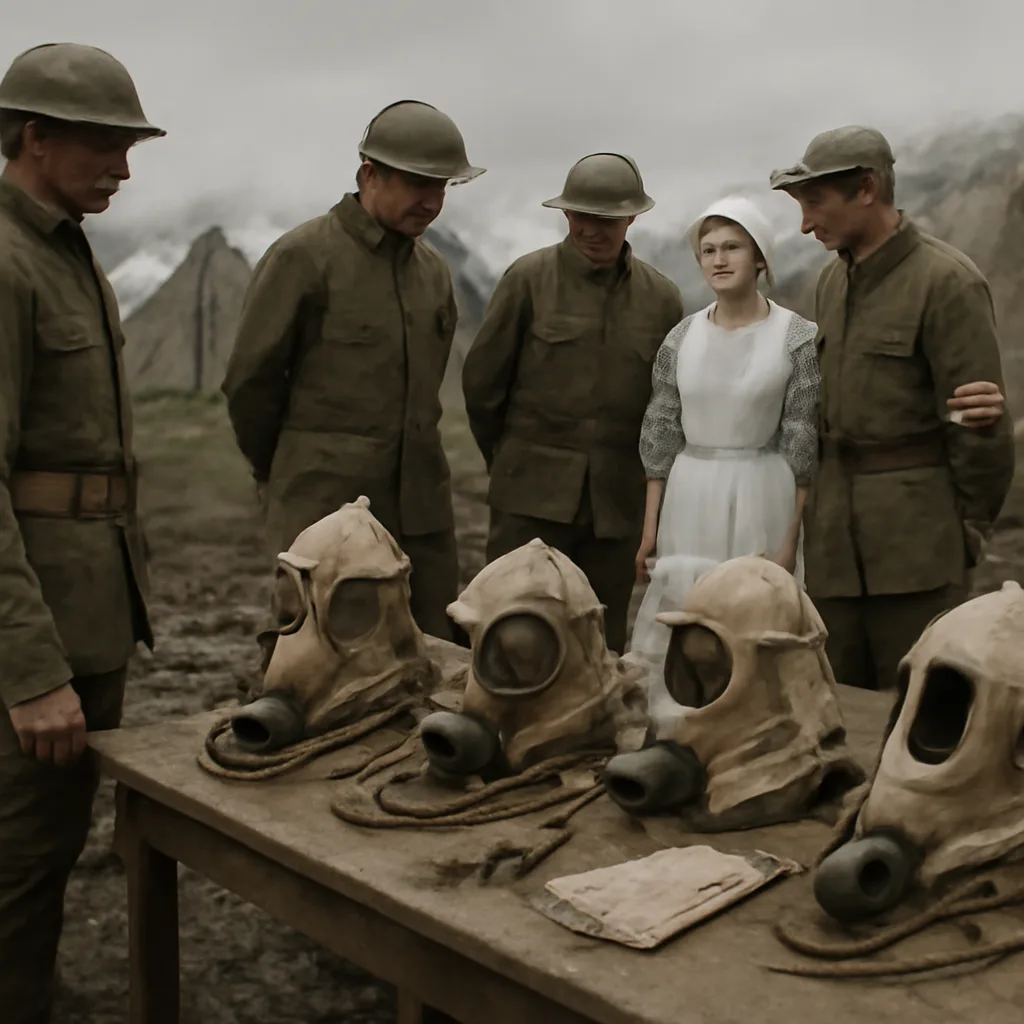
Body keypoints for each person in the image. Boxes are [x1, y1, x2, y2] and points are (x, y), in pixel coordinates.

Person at [0, 42, 163, 1023]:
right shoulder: (5, 261)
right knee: (19, 856)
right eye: (106, 145)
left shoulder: (61, 246)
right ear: (34, 137)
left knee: (48, 847)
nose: (125, 167)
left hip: (89, 603)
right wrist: (27, 666)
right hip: (38, 625)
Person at [221, 100, 485, 642]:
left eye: (442, 187)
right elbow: (251, 384)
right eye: (417, 184)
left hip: (421, 512)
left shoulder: (432, 272)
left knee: (429, 650)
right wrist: (292, 474)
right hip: (324, 510)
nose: (432, 201)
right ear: (370, 175)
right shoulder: (303, 257)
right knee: (316, 656)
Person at [770, 125, 1014, 693]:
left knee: (916, 716)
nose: (805, 224)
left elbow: (980, 432)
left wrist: (966, 532)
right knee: (835, 708)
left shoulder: (947, 283)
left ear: (867, 189)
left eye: (815, 203)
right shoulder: (832, 281)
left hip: (916, 551)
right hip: (833, 548)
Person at [461, 153, 685, 654]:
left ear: (632, 218)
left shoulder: (662, 299)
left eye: (605, 219)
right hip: (529, 499)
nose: (590, 230)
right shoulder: (527, 279)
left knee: (598, 641)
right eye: (580, 216)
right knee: (510, 631)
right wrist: (512, 464)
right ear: (565, 216)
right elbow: (482, 386)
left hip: (615, 507)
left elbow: (665, 406)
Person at [628, 196, 819, 702]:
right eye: (708, 249)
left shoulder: (796, 337)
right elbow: (661, 433)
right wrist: (650, 529)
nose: (719, 259)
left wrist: (789, 540)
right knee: (688, 617)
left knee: (756, 617)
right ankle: (678, 728)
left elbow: (803, 440)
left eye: (732, 246)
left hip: (763, 489)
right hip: (691, 494)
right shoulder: (682, 337)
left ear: (760, 258)